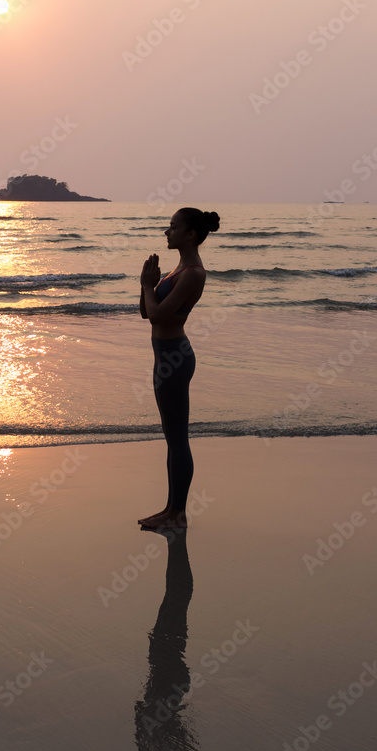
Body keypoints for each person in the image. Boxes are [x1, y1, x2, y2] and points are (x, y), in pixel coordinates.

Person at [138, 207, 220, 529]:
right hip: (163, 356)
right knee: (171, 437)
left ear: (190, 234)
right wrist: (146, 283)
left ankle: (179, 514)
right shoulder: (176, 270)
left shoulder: (194, 274)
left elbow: (159, 316)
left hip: (175, 357)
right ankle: (171, 510)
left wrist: (148, 285)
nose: (166, 232)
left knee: (178, 438)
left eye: (173, 227)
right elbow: (147, 312)